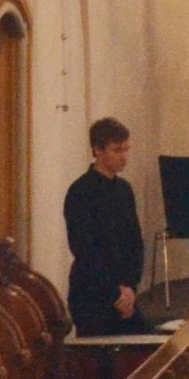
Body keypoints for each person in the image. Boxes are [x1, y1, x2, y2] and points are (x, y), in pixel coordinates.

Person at [65, 119, 144, 335]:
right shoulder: (80, 192)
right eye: (117, 150)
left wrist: (129, 288)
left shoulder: (124, 190)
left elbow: (135, 243)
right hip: (92, 293)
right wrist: (115, 293)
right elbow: (84, 248)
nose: (124, 156)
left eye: (126, 149)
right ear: (97, 150)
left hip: (124, 292)